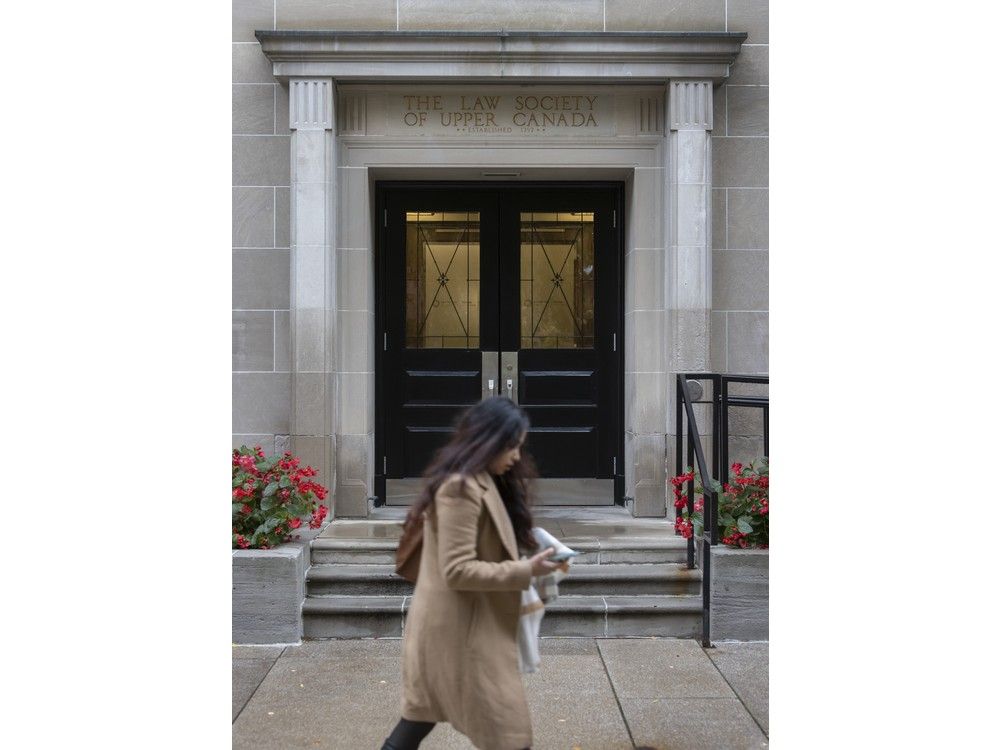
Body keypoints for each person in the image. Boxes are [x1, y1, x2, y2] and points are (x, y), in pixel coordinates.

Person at [381, 397, 560, 750]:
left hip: (463, 625)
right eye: (512, 446)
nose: (516, 456)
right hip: (460, 632)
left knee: (418, 719)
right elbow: (457, 570)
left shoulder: (485, 480)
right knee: (510, 734)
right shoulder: (459, 489)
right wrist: (526, 569)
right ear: (489, 441)